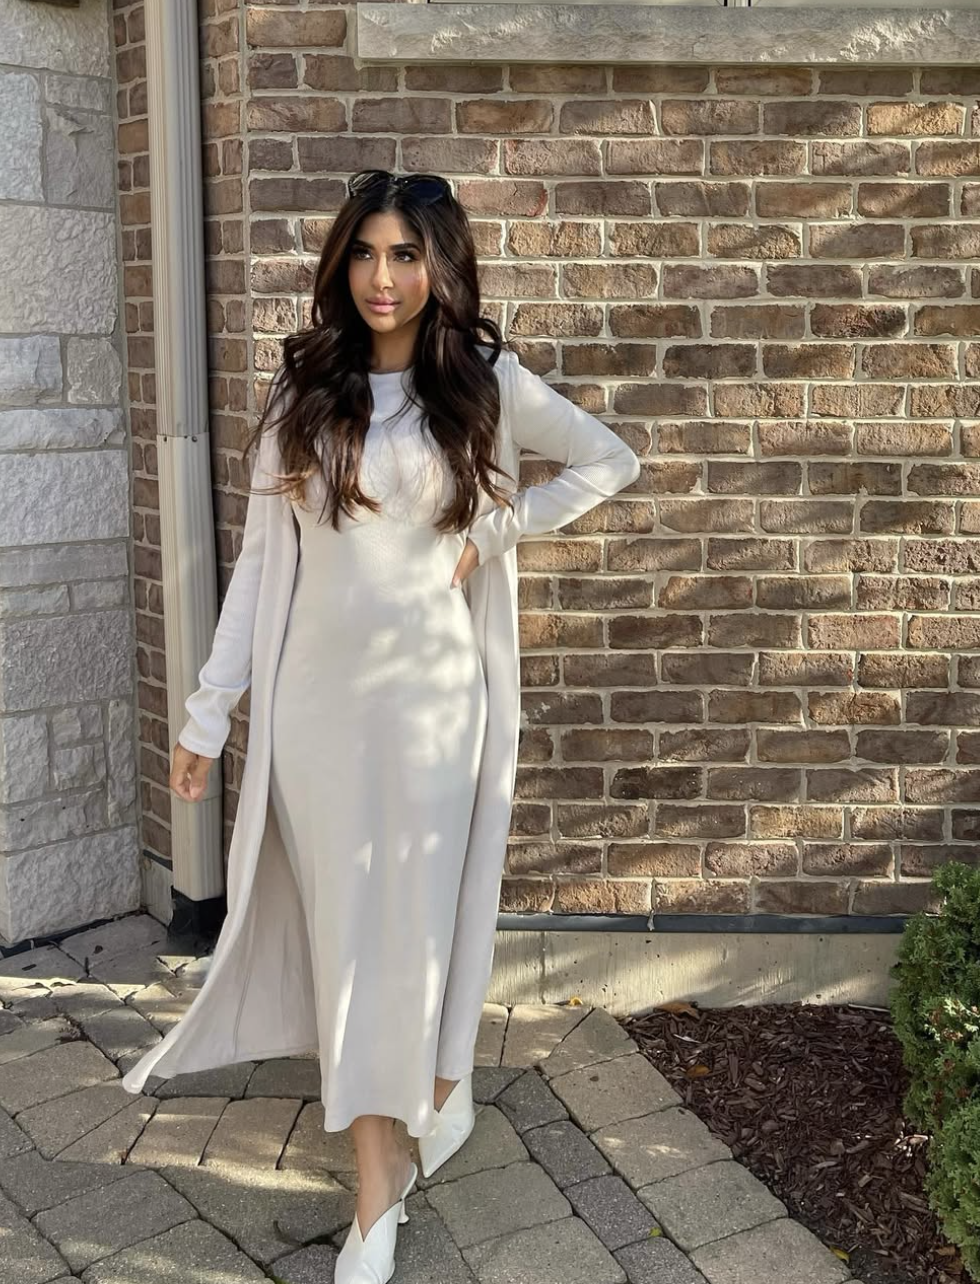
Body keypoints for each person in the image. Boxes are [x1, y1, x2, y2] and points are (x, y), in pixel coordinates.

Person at [159, 169, 641, 1284]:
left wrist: (501, 533)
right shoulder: (306, 391)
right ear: (343, 262)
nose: (384, 277)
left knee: (409, 935)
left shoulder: (486, 385)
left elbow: (610, 462)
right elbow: (255, 571)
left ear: (440, 267)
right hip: (317, 719)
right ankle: (400, 1149)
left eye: (406, 255)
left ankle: (407, 1137)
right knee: (350, 944)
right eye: (367, 252)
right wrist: (208, 714)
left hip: (432, 713)